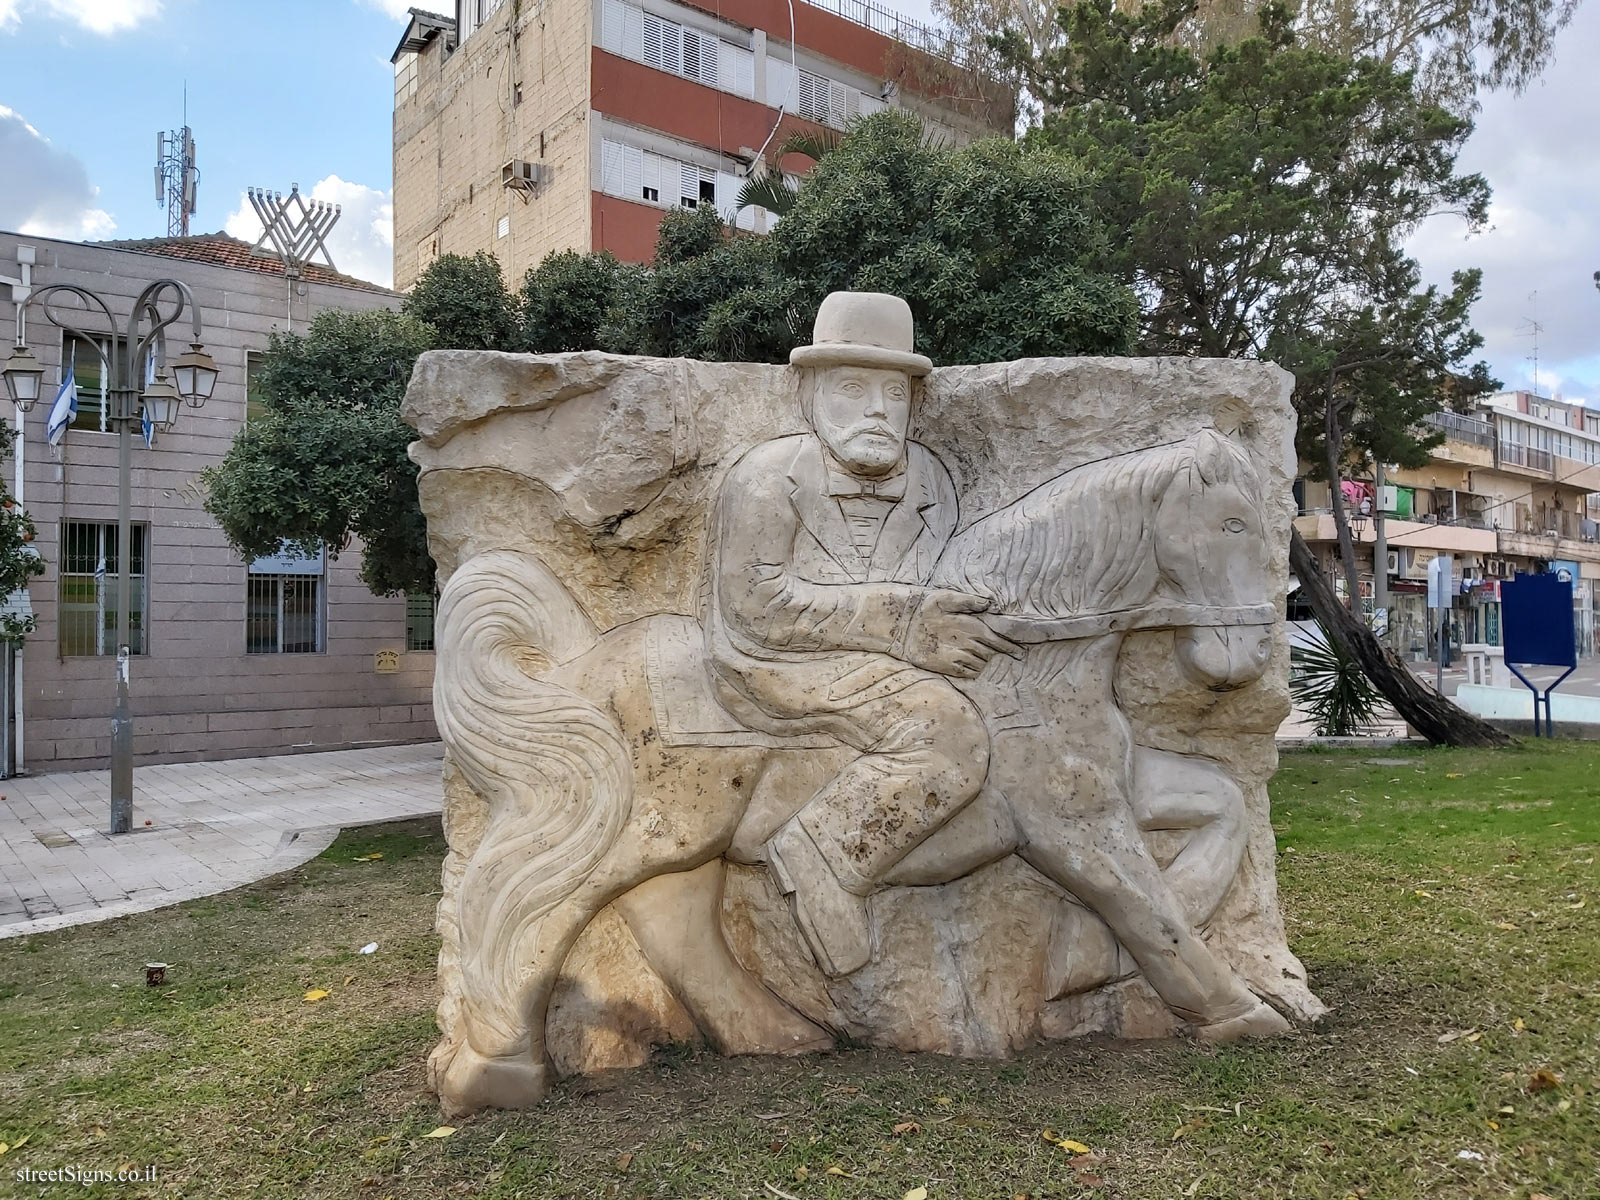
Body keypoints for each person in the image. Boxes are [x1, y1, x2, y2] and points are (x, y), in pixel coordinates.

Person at [703, 292, 1019, 976]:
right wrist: (904, 621)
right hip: (776, 660)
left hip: (883, 661)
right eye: (853, 389)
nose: (878, 410)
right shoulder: (765, 478)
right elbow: (758, 605)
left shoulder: (932, 480)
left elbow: (943, 583)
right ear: (811, 396)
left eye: (895, 394)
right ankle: (823, 856)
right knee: (949, 730)